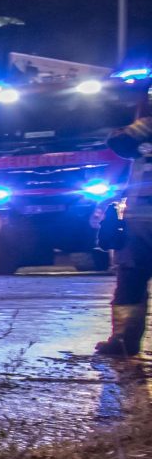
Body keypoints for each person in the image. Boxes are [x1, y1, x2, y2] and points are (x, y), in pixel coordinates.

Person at [98, 84, 152, 356]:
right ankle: (123, 341)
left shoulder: (147, 127)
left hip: (141, 223)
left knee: (131, 279)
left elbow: (119, 141)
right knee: (130, 280)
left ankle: (124, 340)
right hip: (139, 220)